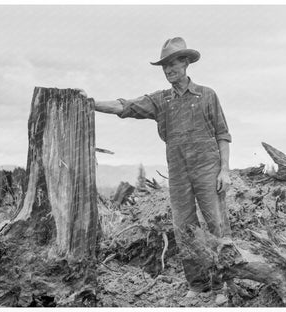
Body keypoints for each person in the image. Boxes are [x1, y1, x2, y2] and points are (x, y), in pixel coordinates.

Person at [77, 37, 232, 306]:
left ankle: (223, 285)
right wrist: (91, 103)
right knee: (184, 226)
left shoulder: (207, 95)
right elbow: (125, 106)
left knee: (216, 224)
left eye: (173, 63)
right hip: (179, 171)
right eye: (165, 66)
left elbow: (223, 134)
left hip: (209, 167)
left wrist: (225, 171)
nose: (169, 69)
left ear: (185, 63)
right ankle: (197, 285)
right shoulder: (161, 100)